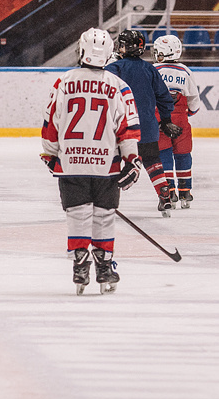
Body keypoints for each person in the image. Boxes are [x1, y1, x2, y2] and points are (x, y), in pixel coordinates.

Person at [41, 28, 142, 295]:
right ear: (108, 54)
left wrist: (49, 153)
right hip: (106, 164)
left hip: (71, 162)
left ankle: (80, 265)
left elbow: (51, 121)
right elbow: (128, 126)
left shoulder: (63, 81)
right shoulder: (119, 86)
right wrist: (132, 159)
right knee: (104, 215)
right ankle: (105, 266)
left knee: (77, 214)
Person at [105, 29, 181, 217]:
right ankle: (165, 193)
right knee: (153, 161)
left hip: (122, 128)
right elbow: (164, 98)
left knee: (114, 160)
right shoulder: (150, 69)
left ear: (123, 47)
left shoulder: (115, 68)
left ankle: (108, 199)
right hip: (147, 127)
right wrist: (165, 120)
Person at [152, 35, 201, 208]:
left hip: (159, 119)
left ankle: (170, 191)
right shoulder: (186, 71)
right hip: (180, 119)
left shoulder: (153, 69)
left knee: (163, 154)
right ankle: (185, 191)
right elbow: (194, 99)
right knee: (183, 154)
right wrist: (190, 113)